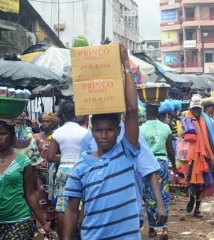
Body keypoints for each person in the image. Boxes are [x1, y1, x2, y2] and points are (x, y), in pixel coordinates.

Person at [62, 44, 167, 240]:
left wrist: (126, 64)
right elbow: (72, 210)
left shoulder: (126, 153)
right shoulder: (80, 168)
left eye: (109, 130)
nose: (104, 135)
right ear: (91, 132)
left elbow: (132, 110)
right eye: (99, 130)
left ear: (119, 130)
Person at [0, 119, 51, 239]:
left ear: (12, 136)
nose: (0, 138)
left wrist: (44, 223)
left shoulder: (23, 161)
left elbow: (30, 194)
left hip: (18, 220)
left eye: (3, 134)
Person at [46, 100, 88, 239]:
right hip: (80, 169)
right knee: (81, 204)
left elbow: (50, 156)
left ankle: (65, 236)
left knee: (63, 205)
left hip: (63, 169)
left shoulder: (57, 132)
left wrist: (64, 157)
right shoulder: (85, 132)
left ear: (62, 113)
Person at [140, 104, 176, 239]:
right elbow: (170, 150)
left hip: (147, 164)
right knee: (164, 194)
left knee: (150, 196)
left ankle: (152, 228)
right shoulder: (165, 127)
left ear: (146, 112)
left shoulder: (141, 129)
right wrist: (174, 166)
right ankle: (165, 228)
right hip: (162, 163)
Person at [183, 95, 214, 218]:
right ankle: (192, 199)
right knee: (191, 183)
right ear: (190, 109)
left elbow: (213, 137)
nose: (196, 111)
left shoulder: (207, 121)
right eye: (194, 109)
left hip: (206, 156)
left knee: (203, 184)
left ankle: (197, 208)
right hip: (191, 157)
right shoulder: (186, 120)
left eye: (198, 109)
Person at [33, 113, 58, 224]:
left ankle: (53, 222)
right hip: (38, 172)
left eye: (48, 121)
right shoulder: (36, 137)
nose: (44, 123)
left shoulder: (57, 136)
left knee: (51, 197)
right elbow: (32, 155)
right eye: (43, 121)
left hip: (53, 172)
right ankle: (41, 223)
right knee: (40, 197)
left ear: (53, 123)